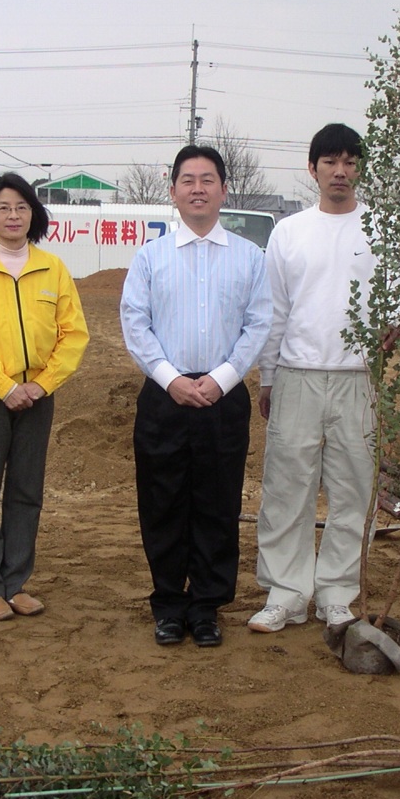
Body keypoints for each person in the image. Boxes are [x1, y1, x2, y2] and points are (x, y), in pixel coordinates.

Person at [120, 145, 271, 648]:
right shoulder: (151, 257)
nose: (198, 188)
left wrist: (223, 378)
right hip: (166, 396)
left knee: (217, 502)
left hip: (222, 399)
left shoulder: (249, 258)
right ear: (174, 192)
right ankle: (168, 603)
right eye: (189, 180)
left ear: (224, 191)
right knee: (162, 501)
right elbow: (135, 324)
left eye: (209, 179)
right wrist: (171, 379)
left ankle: (206, 606)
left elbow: (258, 324)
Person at [248, 123, 389, 634]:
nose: (341, 171)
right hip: (298, 375)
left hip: (358, 377)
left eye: (350, 162)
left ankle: (336, 592)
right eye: (330, 162)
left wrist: (389, 338)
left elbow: (396, 306)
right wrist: (269, 376)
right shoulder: (289, 232)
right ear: (313, 169)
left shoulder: (383, 229)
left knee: (353, 488)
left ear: (360, 168)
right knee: (288, 487)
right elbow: (274, 311)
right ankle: (286, 592)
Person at [0, 173, 88, 621]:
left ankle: (16, 581)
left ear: (34, 214)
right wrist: (5, 386)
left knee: (27, 491)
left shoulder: (53, 268)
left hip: (37, 395)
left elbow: (73, 335)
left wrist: (41, 385)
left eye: (22, 207)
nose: (13, 215)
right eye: (4, 207)